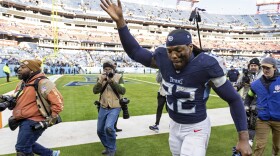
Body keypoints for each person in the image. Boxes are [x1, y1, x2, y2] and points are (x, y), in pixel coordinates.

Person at [100, 1, 252, 155]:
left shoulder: (206, 65)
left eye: (179, 50)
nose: (173, 55)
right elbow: (135, 51)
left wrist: (244, 138)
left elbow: (234, 99)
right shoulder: (162, 58)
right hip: (173, 125)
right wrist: (120, 22)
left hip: (196, 127)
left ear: (190, 47)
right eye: (170, 51)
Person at [11, 59, 63, 156]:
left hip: (34, 120)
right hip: (22, 120)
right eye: (19, 67)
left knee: (22, 149)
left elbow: (58, 101)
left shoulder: (43, 83)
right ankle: (51, 154)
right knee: (27, 144)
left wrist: (52, 118)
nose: (19, 69)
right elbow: (16, 99)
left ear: (32, 70)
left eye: (23, 67)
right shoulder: (22, 83)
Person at [244, 57, 280, 156]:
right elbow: (249, 96)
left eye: (268, 68)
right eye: (263, 67)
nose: (265, 70)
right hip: (263, 119)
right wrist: (246, 105)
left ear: (275, 68)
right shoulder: (256, 84)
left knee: (277, 146)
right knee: (260, 145)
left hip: (278, 119)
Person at [93, 60, 126, 156]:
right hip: (103, 106)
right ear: (103, 69)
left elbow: (123, 91)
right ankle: (108, 147)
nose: (107, 71)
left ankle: (112, 149)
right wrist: (100, 81)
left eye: (109, 69)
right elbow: (95, 91)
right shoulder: (100, 77)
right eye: (105, 69)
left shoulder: (119, 77)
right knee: (99, 130)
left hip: (115, 106)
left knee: (108, 127)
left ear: (113, 69)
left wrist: (112, 82)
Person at [236, 58, 262, 146]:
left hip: (257, 101)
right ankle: (244, 138)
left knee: (252, 121)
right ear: (249, 66)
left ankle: (250, 139)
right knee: (243, 120)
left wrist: (251, 83)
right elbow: (237, 86)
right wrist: (242, 82)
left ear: (259, 66)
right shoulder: (245, 73)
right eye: (252, 65)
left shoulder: (262, 75)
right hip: (244, 100)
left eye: (255, 66)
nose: (253, 67)